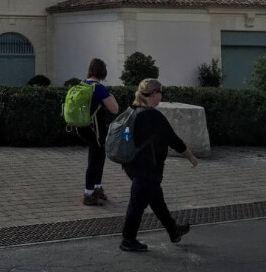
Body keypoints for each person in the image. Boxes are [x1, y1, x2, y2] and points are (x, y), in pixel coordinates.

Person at [120, 78, 199, 252]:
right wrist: (191, 157)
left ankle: (173, 230)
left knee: (156, 199)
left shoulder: (131, 111)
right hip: (148, 168)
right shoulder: (153, 116)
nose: (161, 96)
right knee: (137, 204)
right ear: (154, 94)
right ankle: (128, 240)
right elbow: (173, 140)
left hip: (132, 165)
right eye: (160, 93)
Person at [80, 58, 119, 206]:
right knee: (94, 160)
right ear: (103, 72)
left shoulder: (82, 84)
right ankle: (89, 194)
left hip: (83, 128)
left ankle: (97, 188)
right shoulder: (99, 88)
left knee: (99, 156)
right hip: (96, 130)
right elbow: (114, 109)